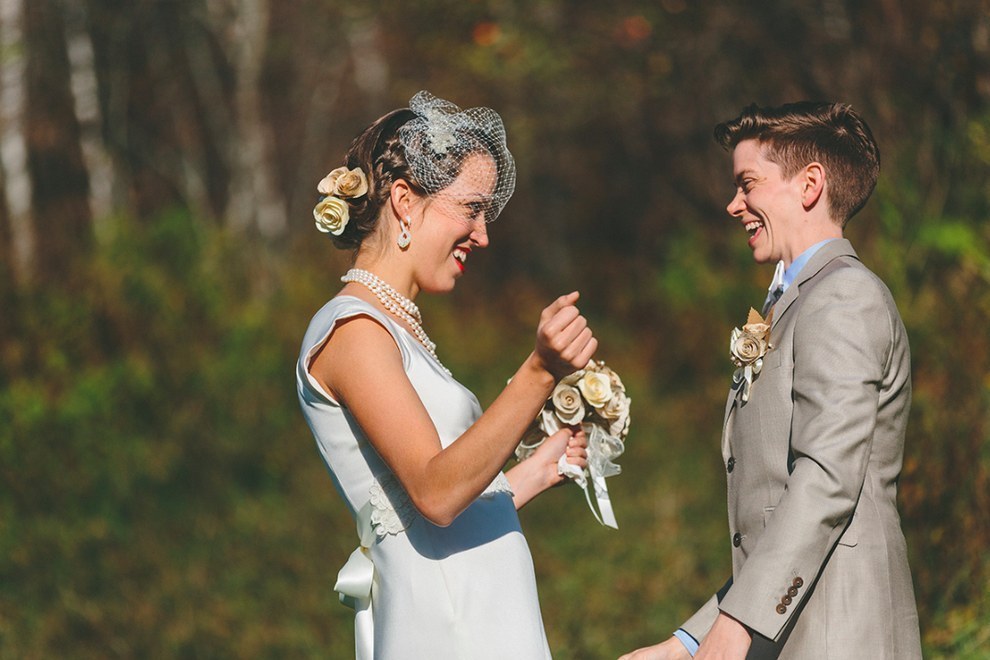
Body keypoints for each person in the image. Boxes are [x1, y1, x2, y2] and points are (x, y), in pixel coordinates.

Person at [295, 91, 598, 660]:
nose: (483, 234)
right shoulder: (353, 331)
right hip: (448, 622)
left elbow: (436, 509)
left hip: (480, 605)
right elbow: (435, 493)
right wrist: (539, 373)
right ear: (406, 202)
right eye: (471, 208)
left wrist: (534, 470)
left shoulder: (395, 328)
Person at [621, 102, 922, 659]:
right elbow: (774, 519)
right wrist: (686, 642)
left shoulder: (845, 298)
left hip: (843, 634)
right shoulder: (796, 302)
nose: (733, 203)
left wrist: (735, 625)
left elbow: (826, 479)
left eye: (748, 184)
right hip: (794, 628)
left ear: (810, 185)